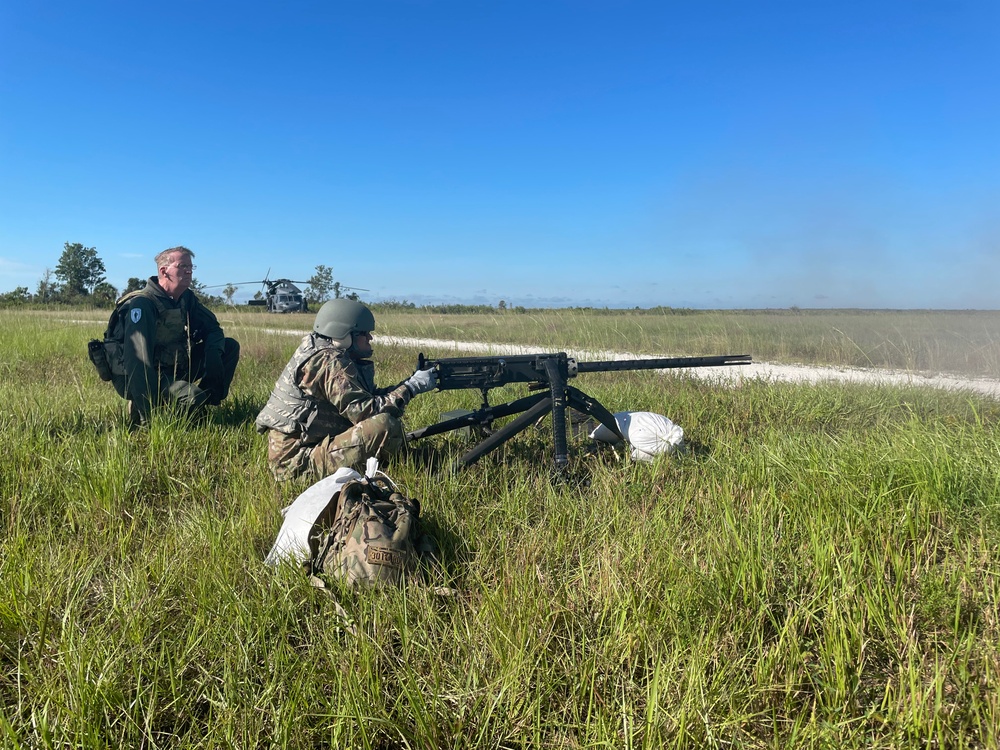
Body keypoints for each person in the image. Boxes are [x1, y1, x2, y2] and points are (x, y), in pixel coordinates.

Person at [255, 298, 437, 481]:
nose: (370, 338)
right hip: (295, 464)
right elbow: (366, 412)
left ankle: (406, 460)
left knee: (383, 424)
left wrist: (407, 383)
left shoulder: (321, 350)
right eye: (363, 333)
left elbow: (367, 397)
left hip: (305, 450)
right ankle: (410, 465)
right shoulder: (328, 361)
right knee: (383, 425)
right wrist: (411, 388)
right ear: (343, 334)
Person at [103, 246, 240, 426]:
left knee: (229, 347)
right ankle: (143, 407)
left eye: (191, 266)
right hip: (140, 376)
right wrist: (148, 416)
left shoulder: (185, 298)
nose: (189, 270)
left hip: (173, 366)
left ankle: (205, 402)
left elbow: (213, 329)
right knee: (193, 397)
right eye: (182, 266)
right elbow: (137, 362)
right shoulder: (143, 304)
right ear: (164, 271)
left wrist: (213, 356)